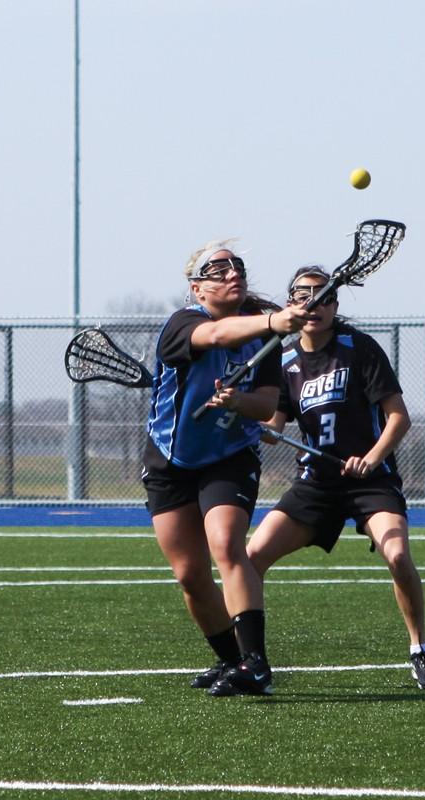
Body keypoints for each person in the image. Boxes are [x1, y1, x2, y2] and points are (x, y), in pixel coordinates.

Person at [246, 265, 425, 690]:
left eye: (323, 297)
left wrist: (372, 459)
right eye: (303, 296)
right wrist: (243, 415)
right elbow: (273, 428)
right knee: (250, 558)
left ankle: (421, 651)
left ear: (335, 305)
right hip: (316, 484)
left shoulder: (359, 348)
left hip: (370, 482)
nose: (313, 305)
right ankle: (250, 662)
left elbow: (399, 418)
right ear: (291, 304)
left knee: (397, 555)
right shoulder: (282, 360)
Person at [141, 240, 310, 697]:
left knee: (226, 546)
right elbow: (215, 338)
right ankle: (231, 661)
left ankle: (255, 664)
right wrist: (275, 320)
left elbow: (265, 405)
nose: (231, 272)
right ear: (197, 289)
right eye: (217, 269)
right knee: (189, 575)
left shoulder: (264, 338)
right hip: (170, 459)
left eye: (237, 266)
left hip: (229, 456)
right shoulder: (183, 324)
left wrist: (239, 400)